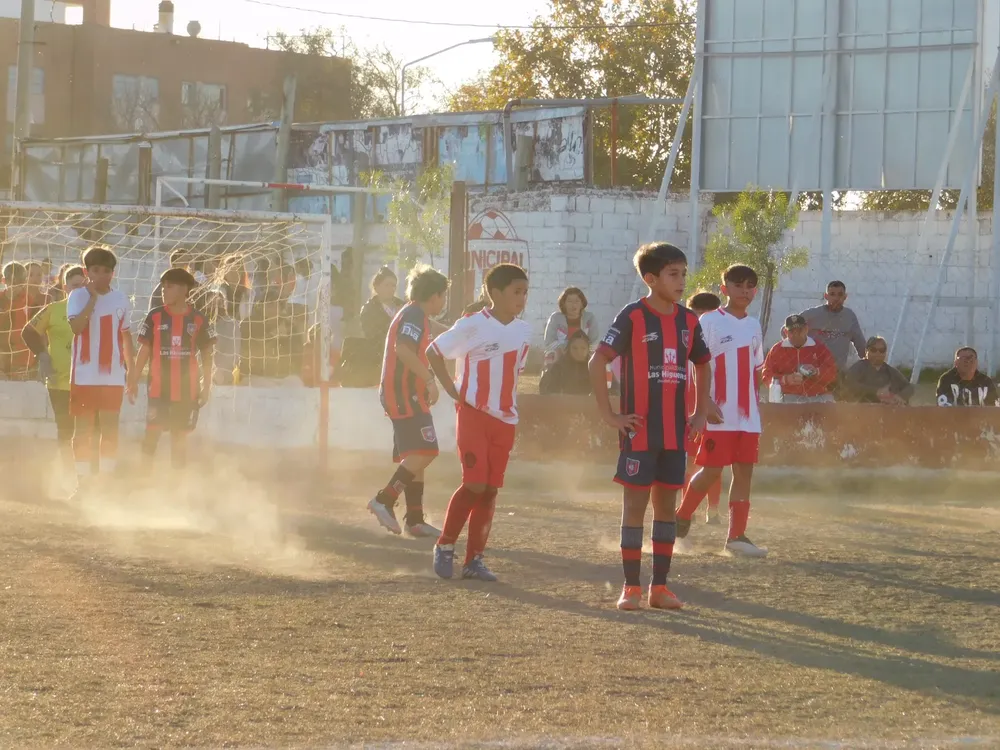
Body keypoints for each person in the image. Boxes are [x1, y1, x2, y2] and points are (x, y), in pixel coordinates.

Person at [589, 243, 716, 611]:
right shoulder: (632, 316)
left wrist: (700, 410)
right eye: (673, 274)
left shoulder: (689, 320)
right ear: (651, 279)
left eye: (684, 273)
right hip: (639, 432)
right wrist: (610, 415)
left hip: (676, 434)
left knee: (666, 510)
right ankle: (630, 588)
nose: (681, 281)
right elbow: (597, 363)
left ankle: (659, 588)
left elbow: (703, 363)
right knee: (634, 507)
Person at [426, 264, 531, 582]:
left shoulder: (524, 331)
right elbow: (434, 351)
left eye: (525, 292)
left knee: (489, 490)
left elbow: (515, 373)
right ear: (494, 293)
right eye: (516, 291)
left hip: (506, 420)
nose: (522, 298)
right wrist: (449, 388)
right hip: (473, 414)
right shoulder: (472, 325)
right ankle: (445, 545)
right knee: (473, 483)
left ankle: (474, 560)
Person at [675, 264, 768, 558]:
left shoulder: (754, 325)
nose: (745, 290)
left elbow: (757, 368)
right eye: (738, 284)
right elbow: (696, 364)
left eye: (750, 286)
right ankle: (680, 519)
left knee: (744, 472)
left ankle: (736, 537)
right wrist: (705, 403)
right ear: (724, 288)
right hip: (720, 413)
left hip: (748, 417)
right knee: (712, 469)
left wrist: (755, 402)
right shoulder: (710, 321)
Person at [367, 265, 451, 538]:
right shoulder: (414, 314)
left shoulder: (416, 313)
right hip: (403, 393)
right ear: (435, 296)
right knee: (425, 451)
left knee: (417, 453)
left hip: (405, 394)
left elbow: (439, 330)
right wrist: (429, 380)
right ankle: (384, 500)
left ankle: (414, 519)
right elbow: (402, 349)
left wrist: (466, 331)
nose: (445, 302)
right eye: (444, 296)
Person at [129, 268, 215, 470]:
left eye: (169, 286)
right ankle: (144, 475)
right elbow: (144, 350)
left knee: (179, 437)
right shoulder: (155, 316)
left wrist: (207, 385)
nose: (163, 291)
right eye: (162, 286)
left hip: (187, 388)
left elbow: (207, 354)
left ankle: (176, 484)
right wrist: (132, 379)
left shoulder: (199, 319)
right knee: (152, 432)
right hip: (158, 388)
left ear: (184, 289)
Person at [67, 245, 135, 494]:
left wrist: (133, 374)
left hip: (113, 378)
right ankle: (82, 483)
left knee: (109, 430)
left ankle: (106, 482)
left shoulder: (121, 299)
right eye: (95, 270)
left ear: (112, 274)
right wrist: (93, 299)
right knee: (82, 431)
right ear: (87, 271)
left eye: (106, 271)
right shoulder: (77, 296)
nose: (101, 275)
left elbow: (126, 338)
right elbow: (76, 328)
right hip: (84, 376)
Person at [21, 265, 87, 481]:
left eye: (83, 285)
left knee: (88, 431)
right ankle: (69, 473)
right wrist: (42, 355)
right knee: (66, 431)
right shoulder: (54, 309)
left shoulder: (95, 309)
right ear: (65, 287)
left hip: (89, 381)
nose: (79, 289)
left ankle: (87, 475)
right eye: (75, 285)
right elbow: (28, 331)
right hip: (60, 380)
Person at [683, 291, 724, 525]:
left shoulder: (720, 342)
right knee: (687, 460)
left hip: (711, 405)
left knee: (712, 459)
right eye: (697, 315)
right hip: (687, 406)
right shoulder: (683, 339)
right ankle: (686, 507)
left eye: (706, 315)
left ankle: (713, 509)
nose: (701, 321)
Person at [761, 314, 838, 403]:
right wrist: (785, 379)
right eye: (792, 331)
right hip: (789, 396)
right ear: (786, 332)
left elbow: (832, 373)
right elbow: (766, 376)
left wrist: (817, 372)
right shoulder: (777, 350)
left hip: (818, 395)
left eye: (799, 331)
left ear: (806, 329)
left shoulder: (819, 347)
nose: (796, 335)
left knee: (830, 405)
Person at [800, 281, 866, 373]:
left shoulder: (849, 317)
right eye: (832, 294)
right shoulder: (812, 315)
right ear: (826, 296)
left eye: (840, 295)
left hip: (838, 371)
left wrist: (869, 363)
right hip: (813, 372)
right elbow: (787, 330)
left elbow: (861, 344)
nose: (836, 298)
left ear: (845, 297)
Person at [843, 336, 914, 405]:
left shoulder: (889, 371)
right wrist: (876, 391)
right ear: (866, 351)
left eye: (881, 350)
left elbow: (909, 387)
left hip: (886, 411)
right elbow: (849, 384)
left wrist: (900, 397)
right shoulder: (859, 367)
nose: (878, 353)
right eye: (873, 350)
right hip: (862, 409)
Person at [543, 287, 597, 367]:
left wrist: (581, 351)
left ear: (582, 303)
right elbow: (549, 342)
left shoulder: (589, 318)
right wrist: (568, 349)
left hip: (583, 356)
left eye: (577, 301)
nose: (573, 305)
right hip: (560, 355)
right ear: (563, 303)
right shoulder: (555, 318)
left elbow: (594, 342)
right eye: (569, 301)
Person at [539, 329, 592, 395]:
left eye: (583, 348)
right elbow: (546, 392)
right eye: (574, 348)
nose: (579, 352)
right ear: (569, 349)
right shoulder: (558, 368)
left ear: (588, 349)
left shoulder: (594, 369)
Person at [359, 266, 404, 343]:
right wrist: (394, 319)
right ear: (376, 287)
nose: (391, 289)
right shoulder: (369, 309)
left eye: (393, 285)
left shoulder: (402, 305)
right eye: (387, 285)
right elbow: (372, 336)